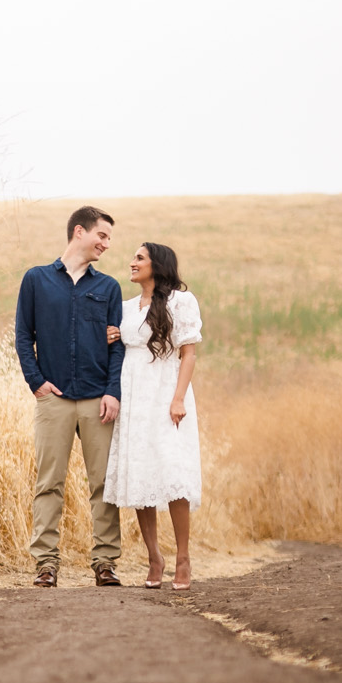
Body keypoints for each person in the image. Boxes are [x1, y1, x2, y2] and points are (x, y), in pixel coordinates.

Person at [13, 206, 127, 587]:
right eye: (103, 236)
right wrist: (37, 384)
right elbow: (22, 337)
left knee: (103, 484)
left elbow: (118, 347)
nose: (107, 245)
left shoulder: (108, 288)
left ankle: (105, 563)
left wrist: (113, 392)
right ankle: (45, 564)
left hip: (98, 400)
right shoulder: (36, 280)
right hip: (54, 399)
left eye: (109, 238)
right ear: (80, 232)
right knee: (49, 483)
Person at [102, 242, 202, 590]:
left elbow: (188, 354)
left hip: (165, 393)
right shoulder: (127, 307)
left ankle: (184, 557)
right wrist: (113, 335)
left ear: (156, 265)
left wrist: (178, 399)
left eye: (139, 258)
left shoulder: (180, 301)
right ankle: (154, 556)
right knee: (140, 472)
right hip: (133, 395)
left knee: (173, 470)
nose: (131, 262)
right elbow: (125, 343)